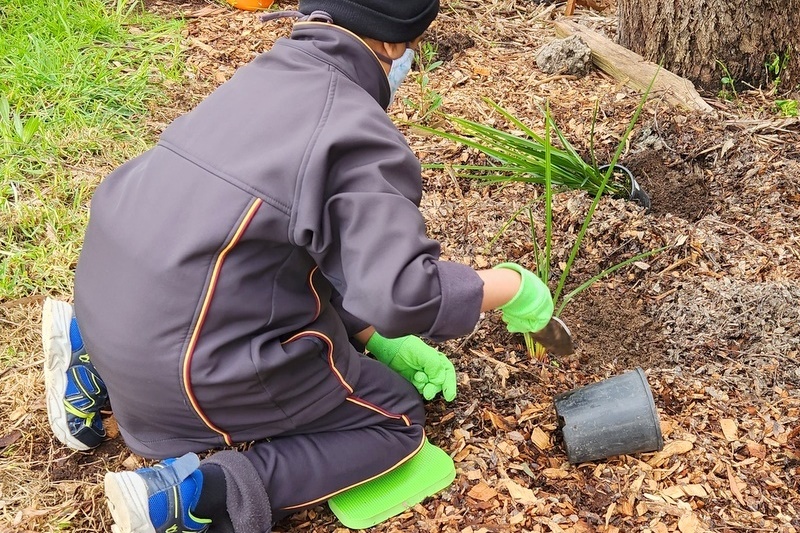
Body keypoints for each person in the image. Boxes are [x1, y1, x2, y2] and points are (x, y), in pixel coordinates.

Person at [42, 1, 554, 532]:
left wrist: (371, 336)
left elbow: (291, 241)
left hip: (110, 301)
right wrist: (513, 287)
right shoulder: (355, 131)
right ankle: (197, 494)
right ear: (394, 44)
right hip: (183, 371)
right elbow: (405, 294)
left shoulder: (262, 77)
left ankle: (91, 367)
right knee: (396, 420)